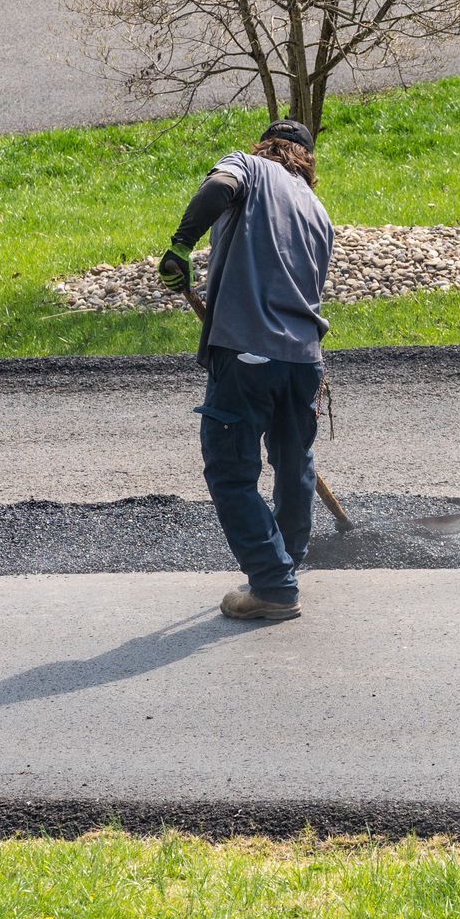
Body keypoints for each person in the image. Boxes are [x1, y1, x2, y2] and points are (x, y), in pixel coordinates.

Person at [159, 119, 334, 621]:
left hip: (248, 356)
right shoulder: (318, 212)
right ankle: (286, 563)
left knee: (231, 473)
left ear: (268, 148)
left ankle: (274, 585)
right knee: (294, 458)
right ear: (307, 161)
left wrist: (180, 245)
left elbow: (218, 186)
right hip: (303, 360)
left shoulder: (250, 168)